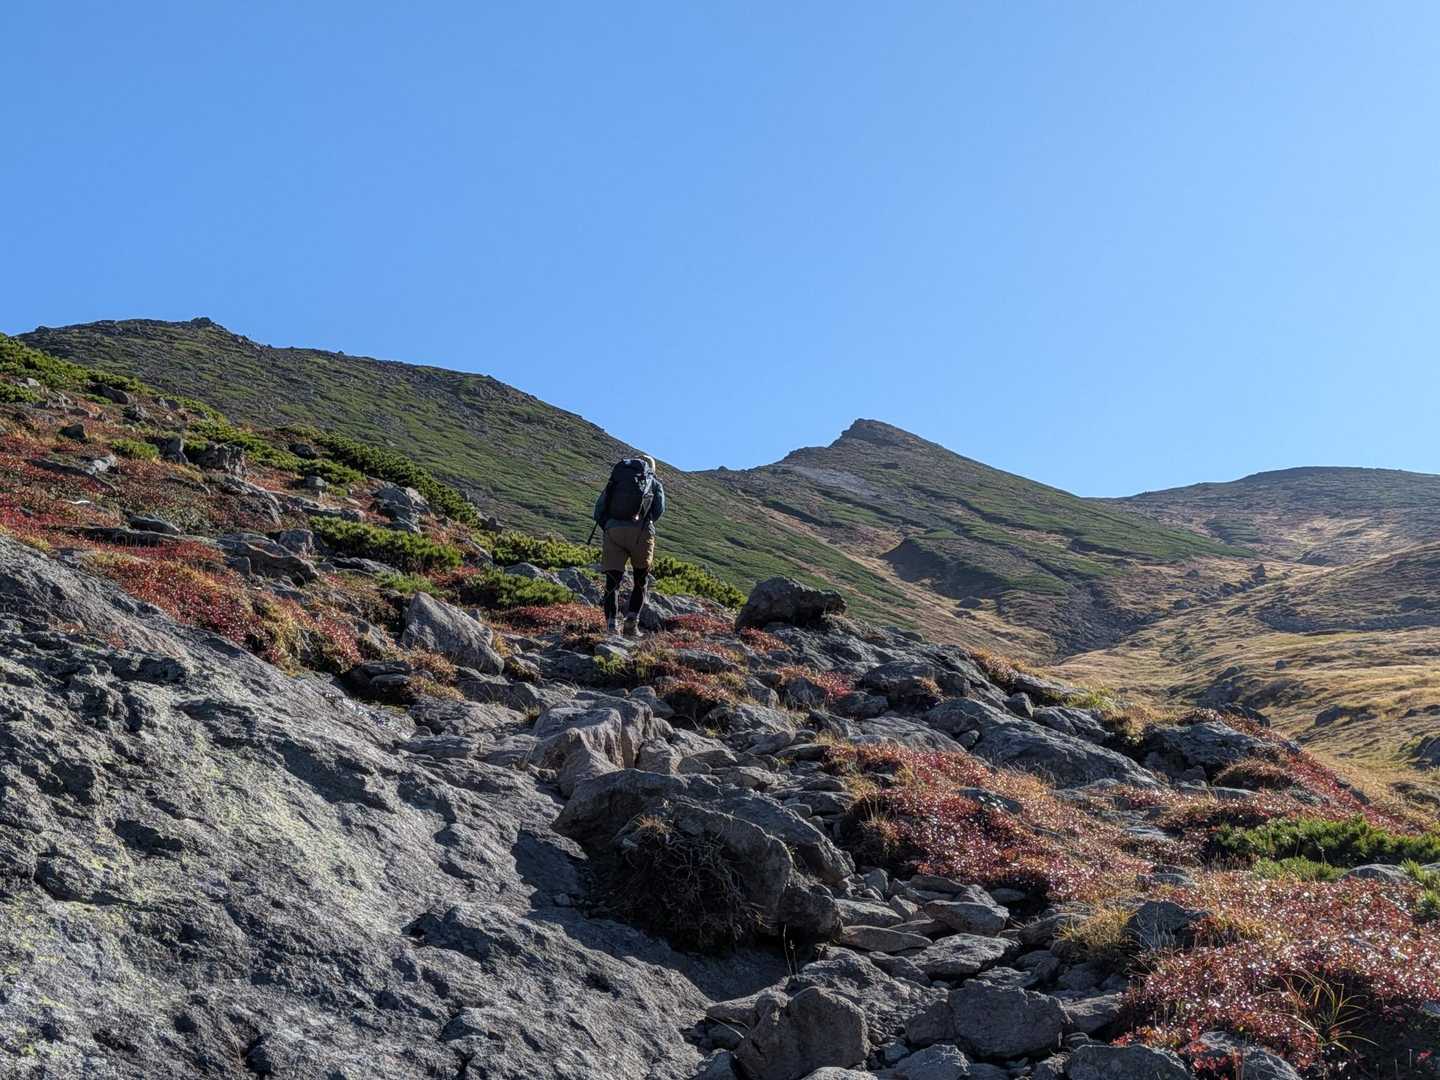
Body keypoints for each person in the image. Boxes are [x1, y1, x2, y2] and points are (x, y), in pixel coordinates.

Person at [592, 453, 666, 636]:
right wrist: (643, 524)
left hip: (613, 532)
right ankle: (631, 624)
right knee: (641, 578)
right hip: (641, 533)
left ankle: (611, 625)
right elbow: (658, 510)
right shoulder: (654, 483)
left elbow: (599, 510)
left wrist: (609, 526)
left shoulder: (616, 480)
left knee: (613, 581)